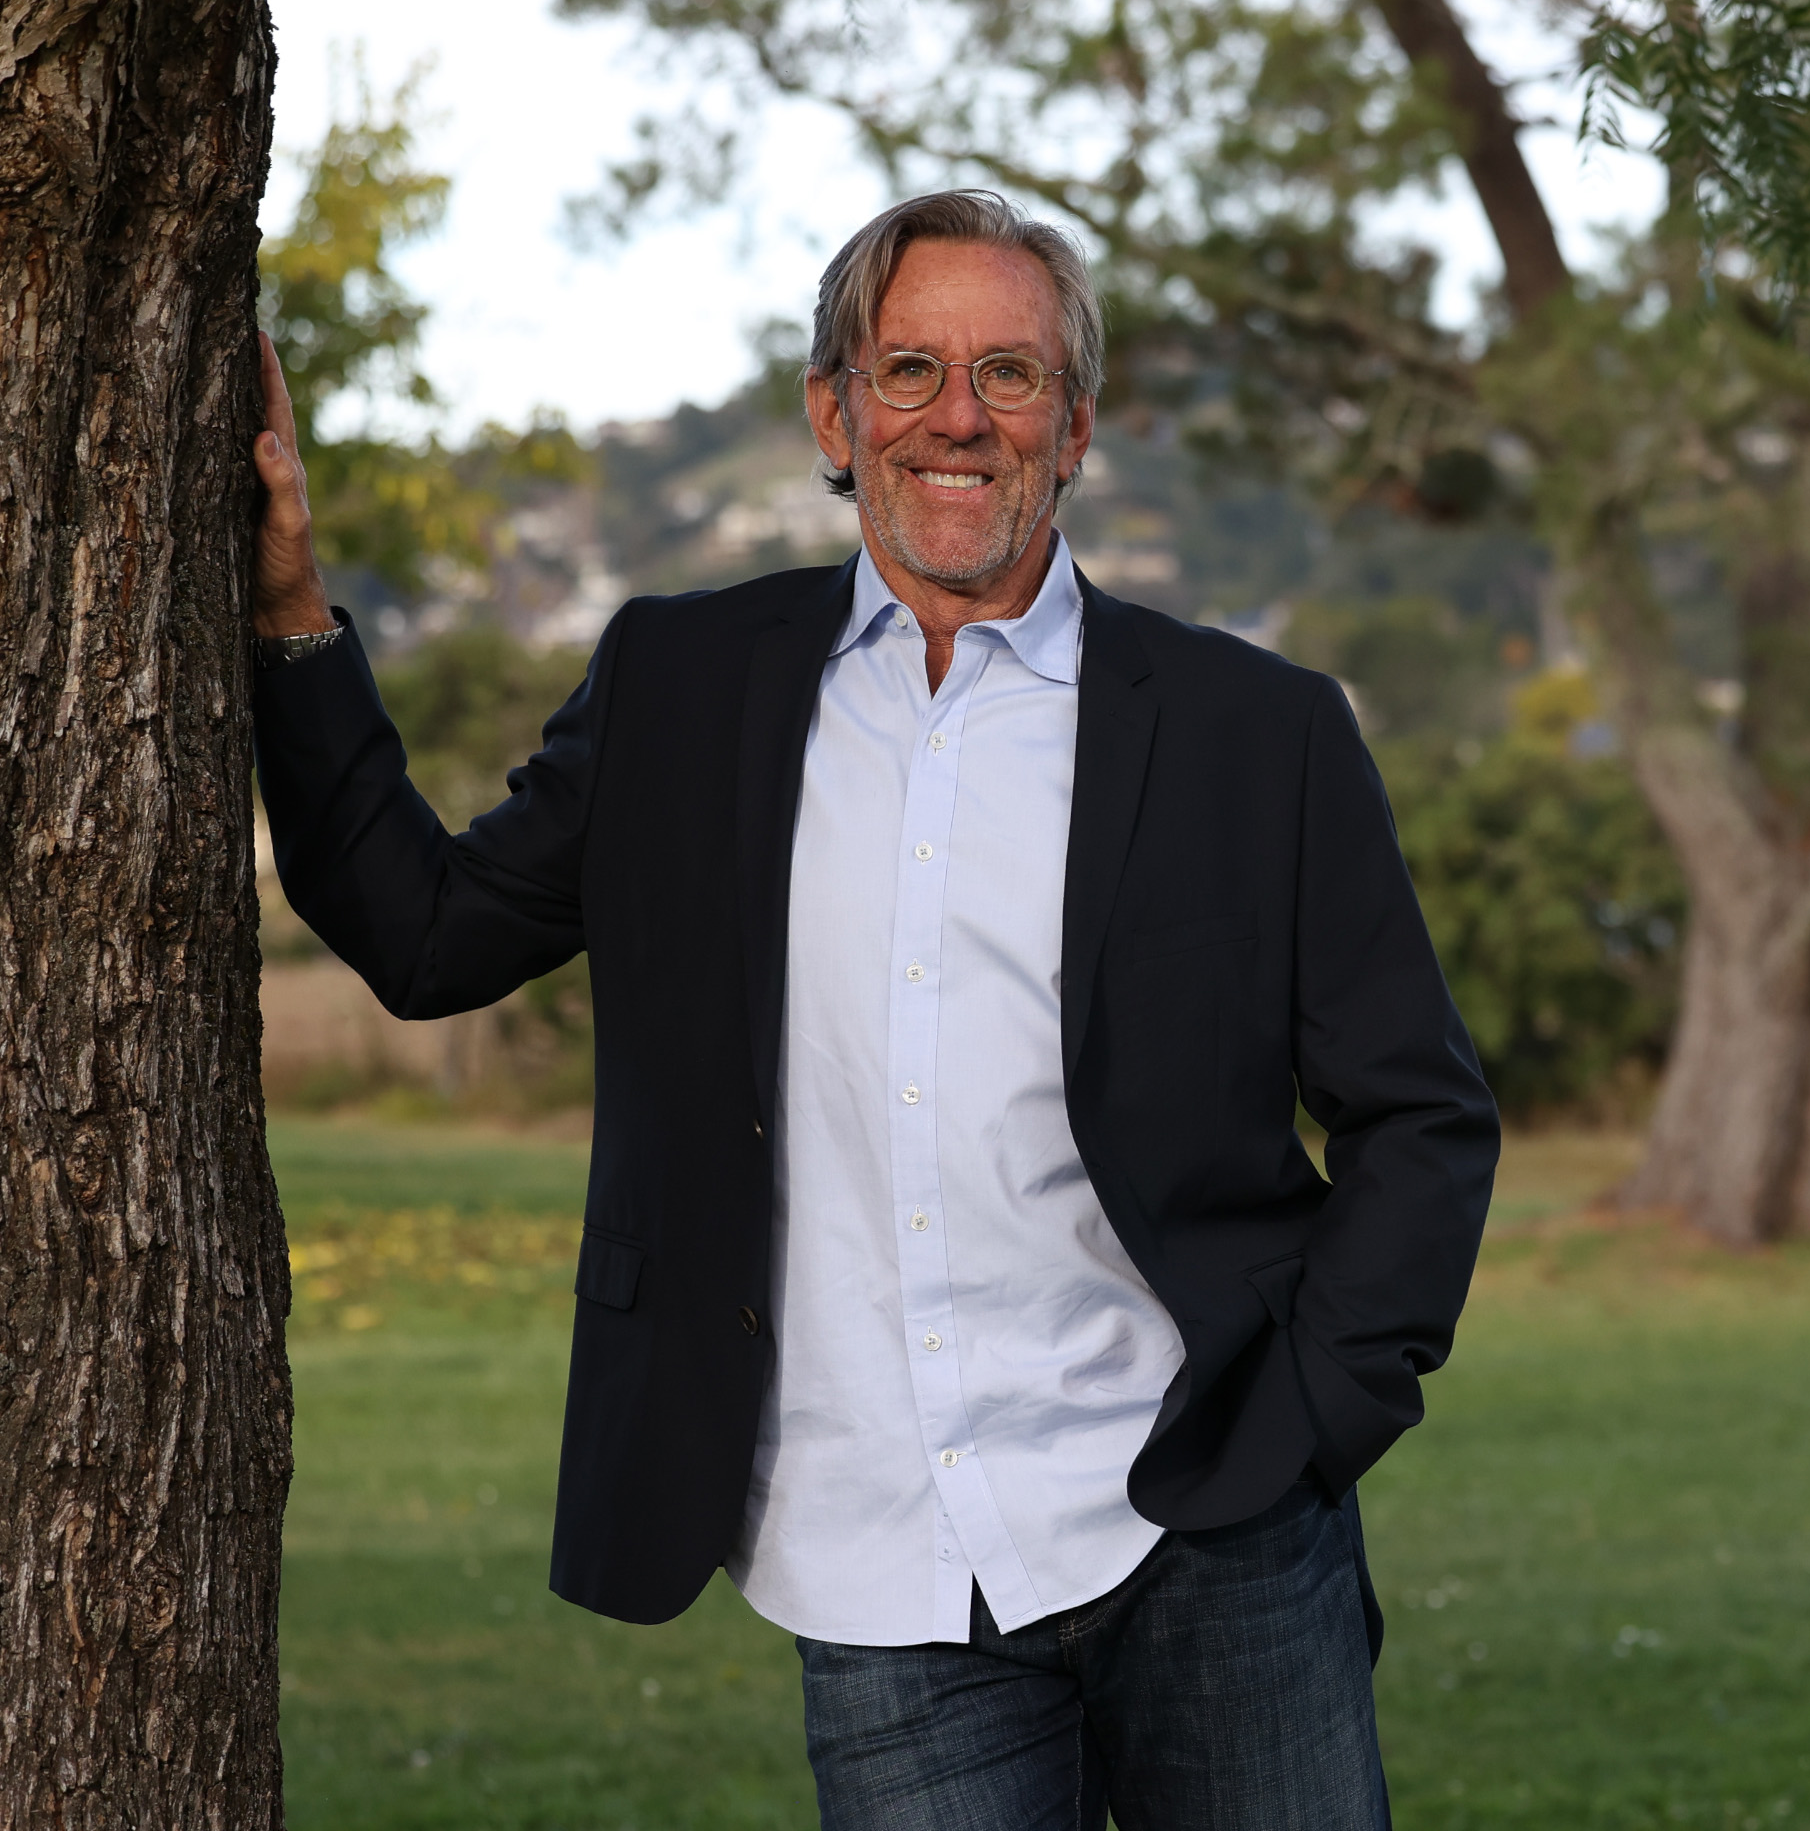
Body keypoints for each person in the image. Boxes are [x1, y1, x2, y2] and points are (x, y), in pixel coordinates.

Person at [251, 189, 1499, 1830]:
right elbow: (423, 935)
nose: (959, 417)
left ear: (1077, 425)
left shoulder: (1252, 733)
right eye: (909, 368)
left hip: (1213, 1528)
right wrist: (287, 612)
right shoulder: (684, 688)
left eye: (1011, 374)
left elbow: (1421, 1115)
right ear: (836, 414)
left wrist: (1313, 1418)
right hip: (878, 1567)